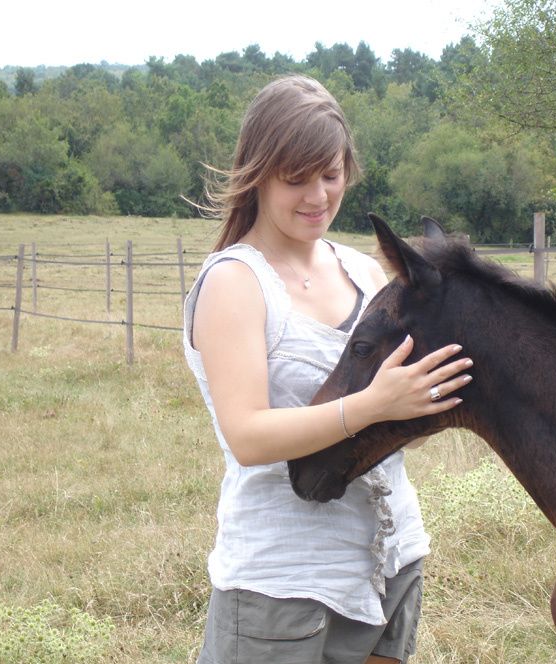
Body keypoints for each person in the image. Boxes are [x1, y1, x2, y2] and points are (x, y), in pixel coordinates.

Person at [182, 74, 474, 664]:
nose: (317, 195)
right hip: (282, 580)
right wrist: (373, 405)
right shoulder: (235, 283)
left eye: (331, 175)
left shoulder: (364, 274)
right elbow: (247, 436)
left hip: (390, 563)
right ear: (257, 172)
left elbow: (395, 417)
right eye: (297, 178)